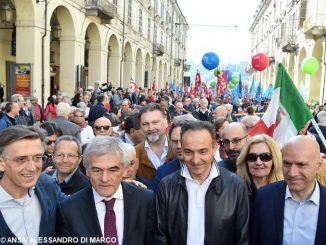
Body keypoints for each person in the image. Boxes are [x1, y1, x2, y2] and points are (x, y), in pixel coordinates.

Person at [155, 121, 249, 244]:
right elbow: (160, 236)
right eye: (188, 152)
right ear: (181, 149)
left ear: (214, 148)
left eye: (202, 152)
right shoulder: (167, 185)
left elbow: (242, 237)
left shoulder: (235, 184)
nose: (195, 159)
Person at [55, 136, 155, 245]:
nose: (104, 178)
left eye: (113, 170)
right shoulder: (68, 209)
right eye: (97, 170)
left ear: (125, 170)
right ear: (87, 170)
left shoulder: (145, 201)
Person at [252, 135, 326, 245]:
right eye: (286, 164)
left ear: (319, 166)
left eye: (301, 165)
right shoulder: (265, 197)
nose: (292, 173)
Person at [0, 126, 64, 241]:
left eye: (37, 158)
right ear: (1, 163)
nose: (32, 167)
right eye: (21, 159)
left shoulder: (48, 186)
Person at [152, 114, 197, 192]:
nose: (179, 146)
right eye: (174, 141)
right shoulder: (163, 173)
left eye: (183, 141)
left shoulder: (215, 171)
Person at [136, 103, 174, 181]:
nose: (150, 128)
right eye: (145, 124)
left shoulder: (179, 149)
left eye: (155, 122)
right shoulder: (135, 154)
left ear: (166, 122)